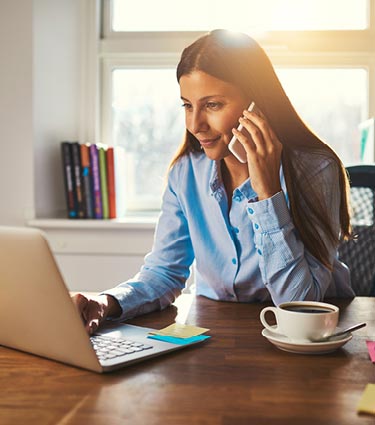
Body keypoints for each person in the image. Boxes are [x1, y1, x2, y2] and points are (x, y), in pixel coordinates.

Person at [72, 29, 355, 334]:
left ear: (257, 106)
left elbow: (299, 304)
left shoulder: (314, 169)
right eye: (187, 105)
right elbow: (164, 273)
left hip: (310, 341)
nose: (195, 124)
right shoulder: (186, 172)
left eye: (212, 105)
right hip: (214, 336)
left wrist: (268, 193)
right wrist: (105, 301)